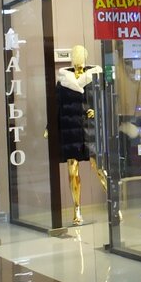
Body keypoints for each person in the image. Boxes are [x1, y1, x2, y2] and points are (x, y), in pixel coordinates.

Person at [54, 44, 107, 226]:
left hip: (90, 128)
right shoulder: (63, 80)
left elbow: (104, 100)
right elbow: (57, 105)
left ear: (85, 57)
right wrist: (50, 127)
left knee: (99, 167)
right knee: (72, 170)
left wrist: (96, 111)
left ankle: (113, 204)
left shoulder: (96, 76)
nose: (77, 59)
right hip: (71, 128)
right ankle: (76, 209)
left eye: (80, 55)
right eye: (74, 55)